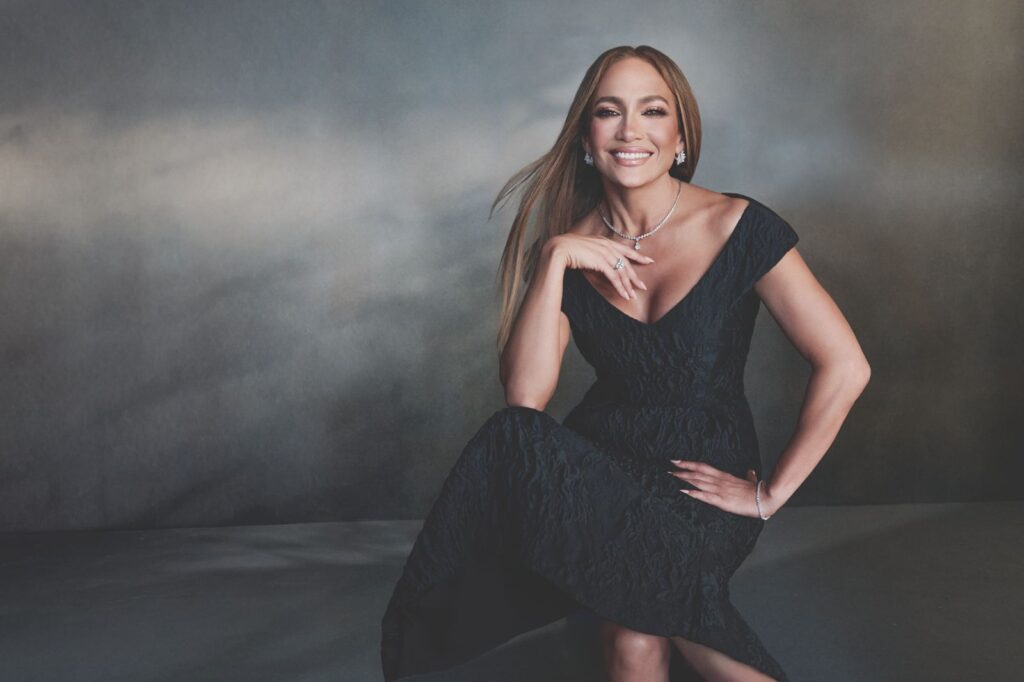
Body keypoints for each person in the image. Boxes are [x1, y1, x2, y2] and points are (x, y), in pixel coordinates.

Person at [381, 44, 870, 682]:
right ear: (586, 138)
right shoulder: (570, 248)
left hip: (702, 474)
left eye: (653, 111)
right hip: (601, 466)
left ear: (681, 137)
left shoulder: (738, 225)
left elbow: (845, 364)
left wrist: (770, 493)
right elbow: (524, 401)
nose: (631, 130)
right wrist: (553, 259)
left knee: (644, 611)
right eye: (609, 112)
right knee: (631, 631)